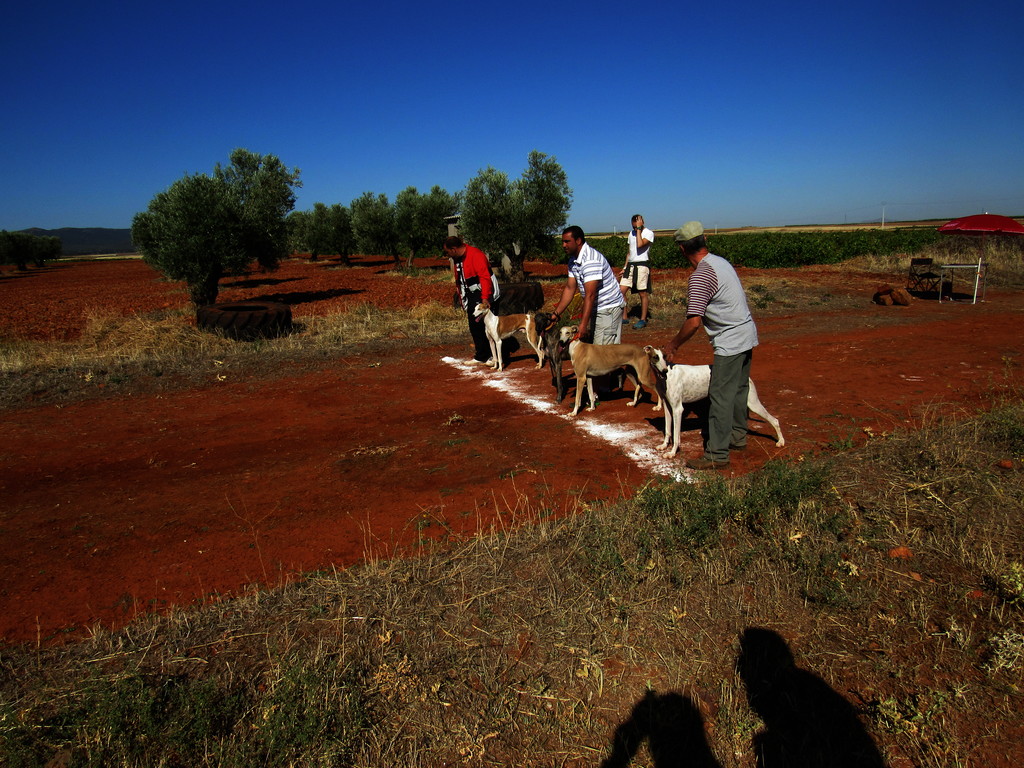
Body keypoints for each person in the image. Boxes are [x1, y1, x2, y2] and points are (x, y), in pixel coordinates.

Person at [663, 221, 758, 471]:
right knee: (738, 390)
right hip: (747, 334)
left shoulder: (700, 276)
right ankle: (737, 438)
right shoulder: (721, 262)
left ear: (682, 249)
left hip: (730, 341)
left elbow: (693, 322)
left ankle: (717, 453)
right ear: (705, 240)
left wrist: (673, 345)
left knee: (720, 396)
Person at [549, 226, 625, 345]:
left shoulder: (590, 260)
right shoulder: (573, 260)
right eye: (562, 242)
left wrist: (583, 325)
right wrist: (556, 314)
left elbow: (590, 295)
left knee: (602, 354)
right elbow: (570, 288)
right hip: (597, 307)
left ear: (578, 241)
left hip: (608, 307)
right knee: (600, 350)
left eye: (567, 241)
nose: (563, 245)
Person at [443, 235, 496, 365]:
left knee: (487, 324)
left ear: (454, 249)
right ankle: (481, 355)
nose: (447, 255)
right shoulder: (457, 259)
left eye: (447, 252)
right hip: (471, 293)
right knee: (474, 324)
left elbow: (485, 277)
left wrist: (485, 297)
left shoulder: (476, 255)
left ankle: (492, 355)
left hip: (483, 291)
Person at [619, 214, 654, 329]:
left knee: (642, 293)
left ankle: (643, 319)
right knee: (621, 291)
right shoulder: (631, 233)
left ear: (642, 222)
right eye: (633, 227)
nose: (634, 229)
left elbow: (640, 245)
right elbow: (630, 252)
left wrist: (639, 230)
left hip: (642, 265)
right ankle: (624, 317)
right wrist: (624, 268)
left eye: (636, 226)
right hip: (631, 265)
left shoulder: (649, 233)